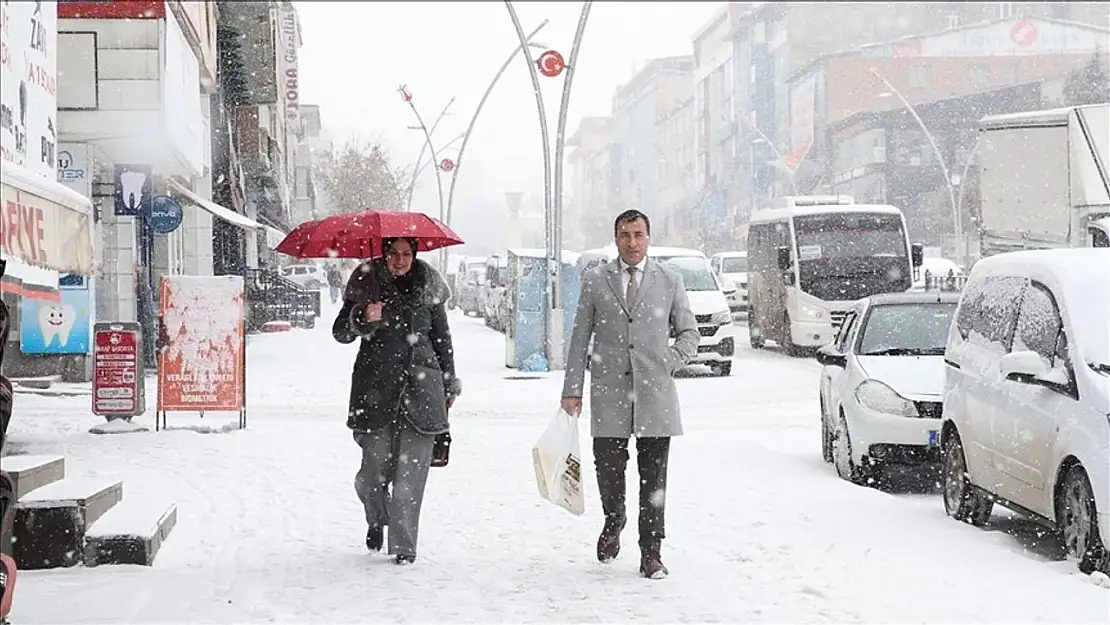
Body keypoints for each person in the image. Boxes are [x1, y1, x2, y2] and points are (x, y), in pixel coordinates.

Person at [560, 210, 699, 580]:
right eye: (625, 235)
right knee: (608, 468)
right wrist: (572, 389)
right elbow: (579, 340)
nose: (632, 242)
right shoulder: (595, 281)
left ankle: (651, 552)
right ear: (615, 239)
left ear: (648, 238)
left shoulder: (669, 280)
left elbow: (690, 333)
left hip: (655, 396)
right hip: (609, 393)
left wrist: (668, 360)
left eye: (638, 234)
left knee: (654, 479)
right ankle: (614, 517)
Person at [332, 238, 460, 564]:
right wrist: (362, 315)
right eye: (393, 254)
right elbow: (340, 332)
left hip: (423, 390)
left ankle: (404, 547)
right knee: (371, 474)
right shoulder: (366, 279)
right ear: (384, 254)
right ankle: (377, 517)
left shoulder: (429, 284)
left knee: (409, 481)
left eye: (406, 254)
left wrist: (449, 383)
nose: (400, 261)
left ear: (414, 256)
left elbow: (442, 339)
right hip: (376, 391)